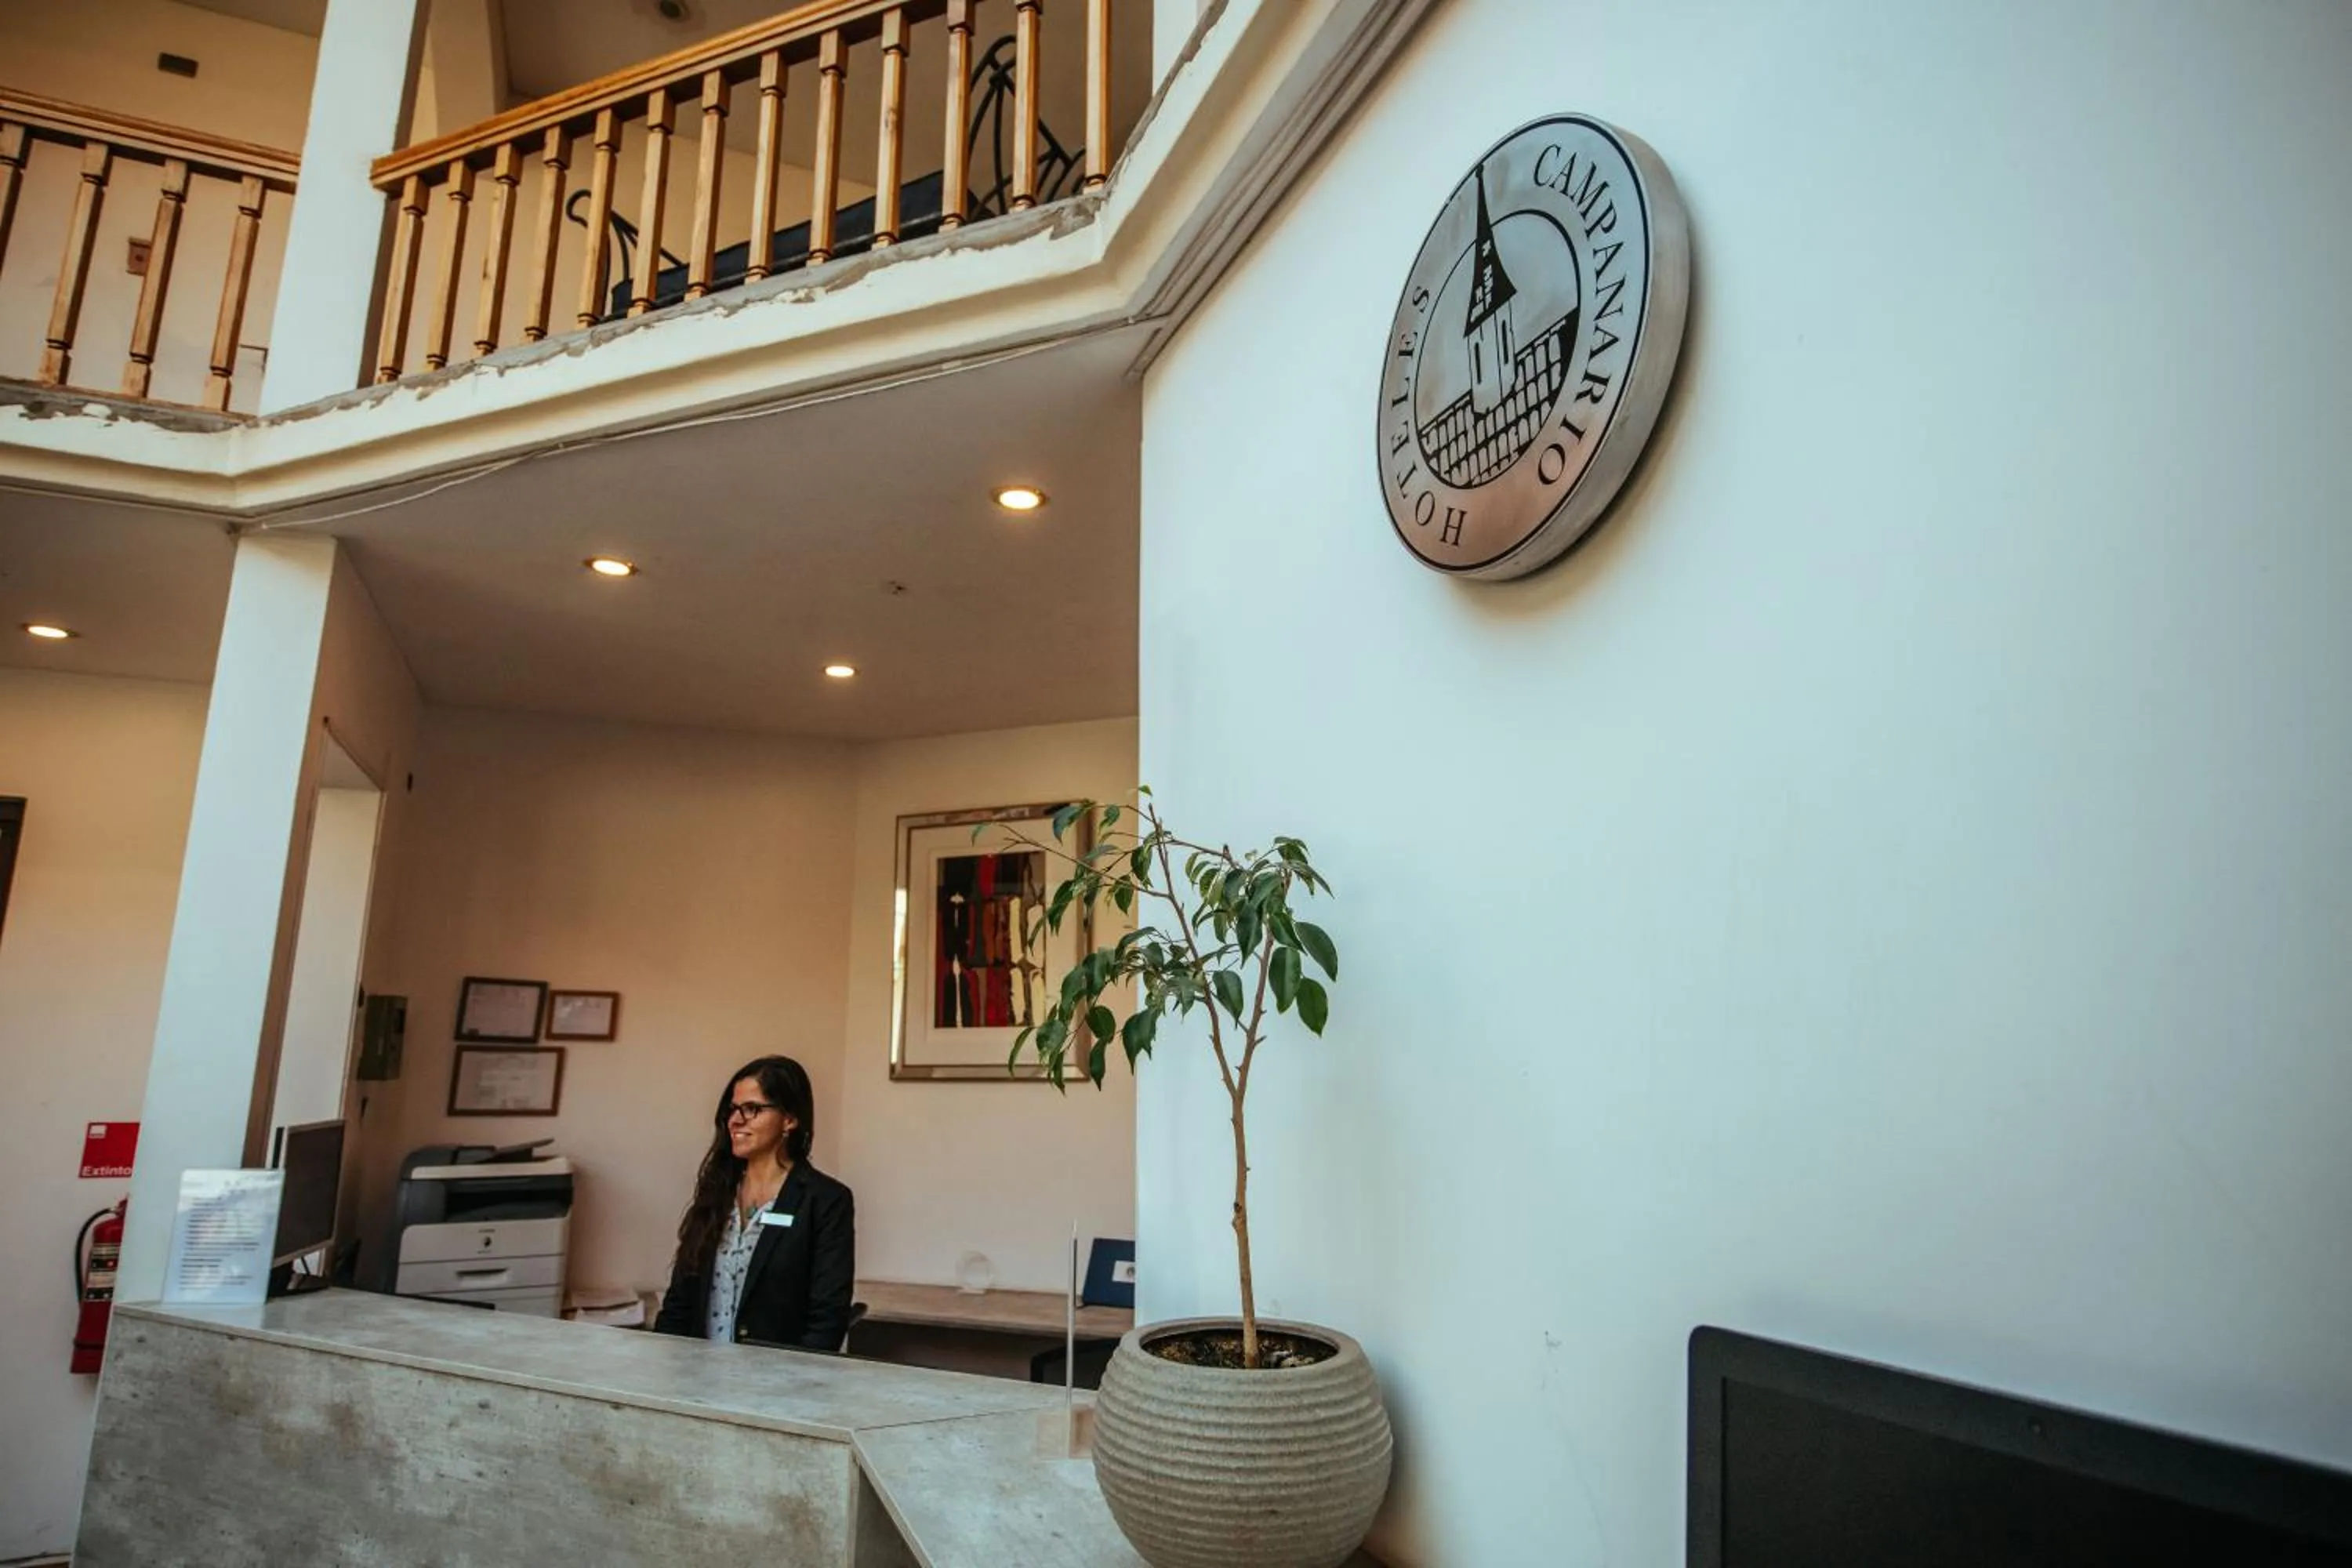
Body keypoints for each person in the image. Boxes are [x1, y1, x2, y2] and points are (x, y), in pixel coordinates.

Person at [654, 1054, 855, 1349]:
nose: (736, 1120)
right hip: (697, 1381)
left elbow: (827, 1320)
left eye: (752, 1109)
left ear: (790, 1119)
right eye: (733, 1109)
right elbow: (679, 1301)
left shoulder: (825, 1201)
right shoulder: (717, 1191)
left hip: (776, 1385)